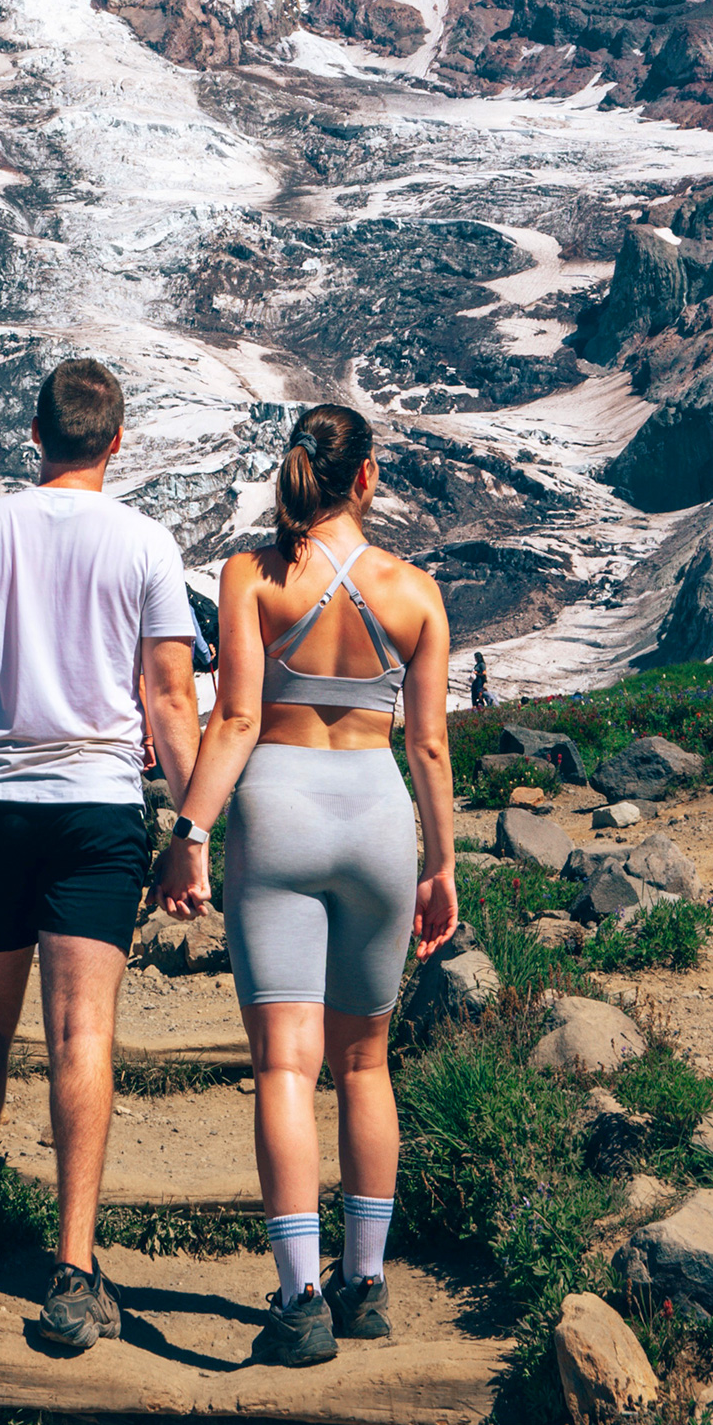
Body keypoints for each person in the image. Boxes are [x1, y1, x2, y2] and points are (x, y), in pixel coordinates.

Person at [0, 358, 202, 1351]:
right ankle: (73, 1272)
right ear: (117, 442)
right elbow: (168, 699)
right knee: (82, 1038)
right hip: (97, 815)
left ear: (34, 434)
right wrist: (191, 829)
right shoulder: (147, 543)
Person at [157, 404, 458, 1368]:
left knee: (285, 1066)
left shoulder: (250, 575)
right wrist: (441, 864)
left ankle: (301, 1302)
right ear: (366, 479)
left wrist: (190, 831)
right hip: (378, 816)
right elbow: (430, 745)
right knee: (364, 1063)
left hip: (278, 811)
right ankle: (367, 1284)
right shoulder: (415, 592)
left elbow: (236, 718)